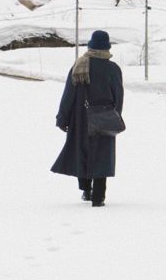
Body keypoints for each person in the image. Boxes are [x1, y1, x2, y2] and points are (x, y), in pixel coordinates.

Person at [51, 29, 124, 207]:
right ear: (107, 47)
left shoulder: (79, 66)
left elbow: (68, 95)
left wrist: (62, 118)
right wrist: (115, 116)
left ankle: (86, 190)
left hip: (80, 117)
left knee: (82, 152)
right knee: (102, 155)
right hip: (105, 117)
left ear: (91, 46)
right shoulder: (113, 69)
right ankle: (98, 196)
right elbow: (118, 96)